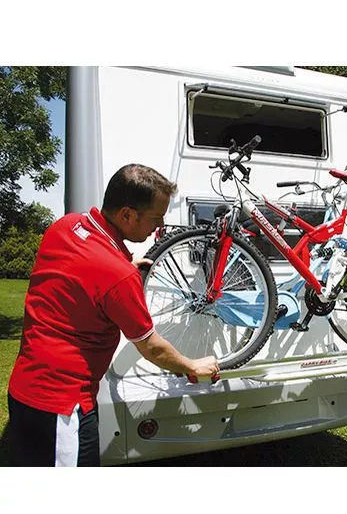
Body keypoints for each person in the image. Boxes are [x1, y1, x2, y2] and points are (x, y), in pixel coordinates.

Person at [7, 164, 219, 467]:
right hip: (62, 407)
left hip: (24, 387)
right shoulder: (117, 275)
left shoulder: (67, 226)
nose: (159, 226)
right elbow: (152, 347)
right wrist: (192, 365)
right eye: (156, 218)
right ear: (127, 215)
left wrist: (120, 266)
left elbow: (79, 272)